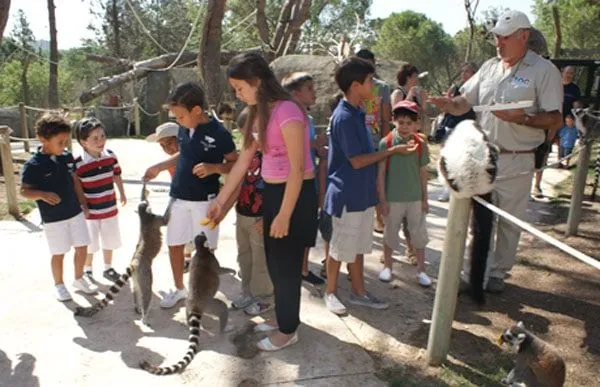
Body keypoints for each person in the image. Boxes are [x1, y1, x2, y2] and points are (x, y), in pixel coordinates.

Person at [430, 10, 563, 293]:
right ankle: (474, 272)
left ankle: (499, 273)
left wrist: (523, 119)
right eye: (496, 39)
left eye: (505, 38)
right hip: (483, 158)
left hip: (518, 159)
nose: (499, 44)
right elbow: (466, 101)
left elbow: (555, 118)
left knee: (508, 223)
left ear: (523, 36)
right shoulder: (490, 67)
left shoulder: (544, 71)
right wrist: (450, 105)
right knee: (477, 220)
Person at [206, 52, 318, 351]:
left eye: (240, 87)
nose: (237, 94)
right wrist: (220, 199)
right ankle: (284, 317)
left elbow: (297, 168)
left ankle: (288, 331)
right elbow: (244, 160)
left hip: (294, 196)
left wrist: (284, 214)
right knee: (274, 262)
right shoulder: (259, 111)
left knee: (286, 265)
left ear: (257, 82)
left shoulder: (288, 112)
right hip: (274, 192)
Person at [323, 56, 417, 315]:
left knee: (359, 247)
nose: (373, 85)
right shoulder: (343, 117)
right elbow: (356, 161)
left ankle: (359, 292)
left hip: (362, 195)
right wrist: (392, 151)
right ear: (355, 85)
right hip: (347, 195)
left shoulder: (358, 112)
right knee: (340, 248)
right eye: (369, 80)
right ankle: (330, 292)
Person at [143, 82, 238, 309]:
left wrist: (214, 168)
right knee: (174, 244)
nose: (178, 121)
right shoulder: (184, 128)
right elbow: (183, 155)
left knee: (205, 251)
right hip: (178, 198)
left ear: (196, 111)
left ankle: (202, 292)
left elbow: (235, 164)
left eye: (180, 116)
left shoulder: (220, 134)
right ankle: (179, 289)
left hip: (205, 202)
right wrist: (159, 166)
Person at [20, 114, 96, 301]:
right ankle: (59, 284)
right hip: (54, 219)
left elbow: (75, 180)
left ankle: (79, 279)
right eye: (60, 142)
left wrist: (83, 202)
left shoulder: (66, 157)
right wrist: (42, 195)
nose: (64, 146)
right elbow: (24, 191)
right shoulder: (33, 165)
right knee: (59, 252)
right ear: (43, 139)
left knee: (82, 246)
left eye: (66, 141)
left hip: (74, 212)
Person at [377, 100, 431, 286]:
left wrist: (425, 198)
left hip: (415, 198)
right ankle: (388, 267)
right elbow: (381, 173)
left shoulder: (420, 144)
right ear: (394, 121)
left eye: (409, 123)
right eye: (401, 122)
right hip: (393, 199)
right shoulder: (387, 143)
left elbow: (423, 172)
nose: (405, 127)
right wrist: (382, 200)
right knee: (390, 232)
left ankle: (421, 271)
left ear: (416, 124)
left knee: (419, 234)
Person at [282, 71, 326, 286]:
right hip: (290, 181)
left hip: (309, 180)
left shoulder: (308, 119)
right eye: (309, 89)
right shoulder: (285, 118)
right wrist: (312, 145)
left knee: (308, 226)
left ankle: (303, 268)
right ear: (294, 93)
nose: (314, 93)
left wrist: (317, 147)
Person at [73, 117, 125, 282]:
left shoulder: (110, 156)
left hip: (109, 207)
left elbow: (116, 175)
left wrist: (122, 193)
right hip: (91, 211)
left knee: (109, 239)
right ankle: (88, 270)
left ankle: (108, 268)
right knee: (90, 242)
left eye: (102, 136)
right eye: (94, 138)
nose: (100, 141)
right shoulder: (78, 163)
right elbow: (77, 186)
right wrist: (83, 205)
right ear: (83, 142)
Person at [145, 122, 195, 270]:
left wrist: (159, 167)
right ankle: (187, 259)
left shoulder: (189, 151)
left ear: (178, 139)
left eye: (168, 143)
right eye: (162, 145)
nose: (165, 148)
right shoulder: (171, 160)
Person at [355, 48, 392, 234]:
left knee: (378, 182)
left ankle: (379, 218)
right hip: (357, 143)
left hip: (376, 142)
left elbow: (386, 119)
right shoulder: (352, 87)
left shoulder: (382, 88)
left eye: (370, 65)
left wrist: (385, 145)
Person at [435, 62, 478, 202]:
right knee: (447, 158)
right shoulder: (456, 88)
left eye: (467, 71)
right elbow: (447, 108)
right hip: (451, 126)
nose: (464, 74)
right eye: (462, 71)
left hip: (468, 128)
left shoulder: (478, 89)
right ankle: (447, 188)